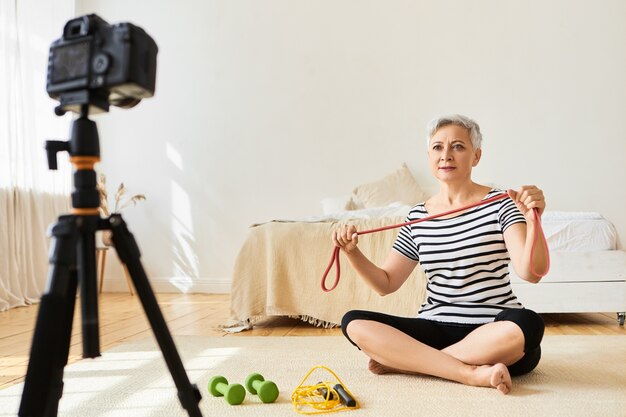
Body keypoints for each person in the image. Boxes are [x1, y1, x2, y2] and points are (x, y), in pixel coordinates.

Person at [333, 114, 549, 395]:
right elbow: (386, 283)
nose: (446, 155)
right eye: (437, 147)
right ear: (429, 156)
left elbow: (531, 272)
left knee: (528, 325)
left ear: (476, 156)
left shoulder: (502, 205)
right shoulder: (416, 217)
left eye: (458, 146)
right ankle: (468, 373)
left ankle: (412, 363)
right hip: (433, 326)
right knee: (354, 322)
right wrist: (352, 253)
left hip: (494, 332)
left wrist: (533, 220)